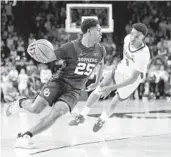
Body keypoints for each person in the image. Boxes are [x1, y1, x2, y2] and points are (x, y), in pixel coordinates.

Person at [6, 19, 105, 149]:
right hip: (59, 82)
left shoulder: (100, 49)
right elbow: (48, 57)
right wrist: (35, 53)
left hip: (74, 90)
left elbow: (101, 63)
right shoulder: (70, 47)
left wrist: (97, 82)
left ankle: (26, 136)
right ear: (88, 31)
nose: (101, 33)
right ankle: (20, 102)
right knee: (36, 109)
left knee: (58, 112)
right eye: (98, 30)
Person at [69, 23, 151, 132]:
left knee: (114, 102)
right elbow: (124, 57)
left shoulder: (143, 54)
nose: (133, 38)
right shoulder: (127, 39)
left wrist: (112, 88)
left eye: (137, 36)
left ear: (143, 38)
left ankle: (102, 119)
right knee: (100, 87)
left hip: (132, 80)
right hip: (121, 69)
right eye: (132, 34)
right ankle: (82, 116)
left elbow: (132, 79)